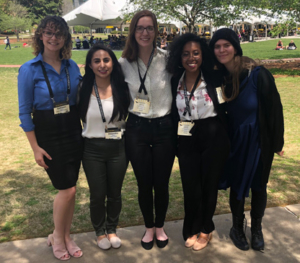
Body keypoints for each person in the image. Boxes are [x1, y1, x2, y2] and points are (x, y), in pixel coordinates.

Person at [209, 28, 284, 251]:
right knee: (237, 185)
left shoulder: (258, 75)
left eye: (226, 45)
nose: (222, 50)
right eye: (217, 46)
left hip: (259, 141)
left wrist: (277, 143)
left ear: (235, 47)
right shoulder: (221, 77)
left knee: (259, 186)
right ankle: (237, 228)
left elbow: (275, 111)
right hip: (236, 142)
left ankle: (257, 228)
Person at [18, 16, 83, 260]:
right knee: (65, 189)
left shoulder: (72, 67)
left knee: (73, 189)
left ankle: (66, 235)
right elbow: (25, 112)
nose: (53, 38)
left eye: (59, 34)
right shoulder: (29, 70)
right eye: (49, 33)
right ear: (41, 36)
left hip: (73, 131)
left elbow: (80, 98)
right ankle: (58, 236)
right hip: (48, 134)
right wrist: (35, 147)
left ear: (65, 38)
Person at [166, 33, 230, 251]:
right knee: (190, 186)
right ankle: (191, 228)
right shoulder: (176, 79)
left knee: (208, 185)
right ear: (179, 56)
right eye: (185, 54)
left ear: (203, 54)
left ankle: (205, 229)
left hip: (213, 135)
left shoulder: (214, 77)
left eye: (195, 53)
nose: (191, 58)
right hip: (186, 136)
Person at [119, 10, 176, 250]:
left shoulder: (168, 59)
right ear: (133, 31)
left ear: (156, 31)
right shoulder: (123, 64)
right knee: (144, 183)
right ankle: (148, 227)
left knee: (161, 182)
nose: (145, 33)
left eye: (149, 28)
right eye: (140, 28)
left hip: (164, 128)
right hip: (137, 129)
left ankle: (160, 226)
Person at [77, 44, 130, 250]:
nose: (102, 65)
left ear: (113, 63)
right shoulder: (82, 89)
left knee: (115, 193)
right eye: (96, 61)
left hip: (118, 149)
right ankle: (100, 233)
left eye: (106, 60)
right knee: (98, 194)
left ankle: (112, 229)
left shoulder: (122, 87)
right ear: (90, 65)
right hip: (92, 150)